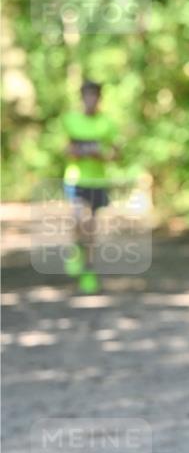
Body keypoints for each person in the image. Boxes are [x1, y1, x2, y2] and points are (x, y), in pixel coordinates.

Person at [62, 80, 118, 294]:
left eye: (94, 95)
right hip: (76, 179)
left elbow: (116, 153)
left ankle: (88, 271)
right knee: (79, 219)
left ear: (99, 98)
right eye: (87, 95)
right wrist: (78, 153)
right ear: (81, 98)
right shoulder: (70, 120)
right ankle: (76, 249)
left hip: (98, 181)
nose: (90, 99)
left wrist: (102, 155)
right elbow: (67, 150)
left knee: (92, 228)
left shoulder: (107, 124)